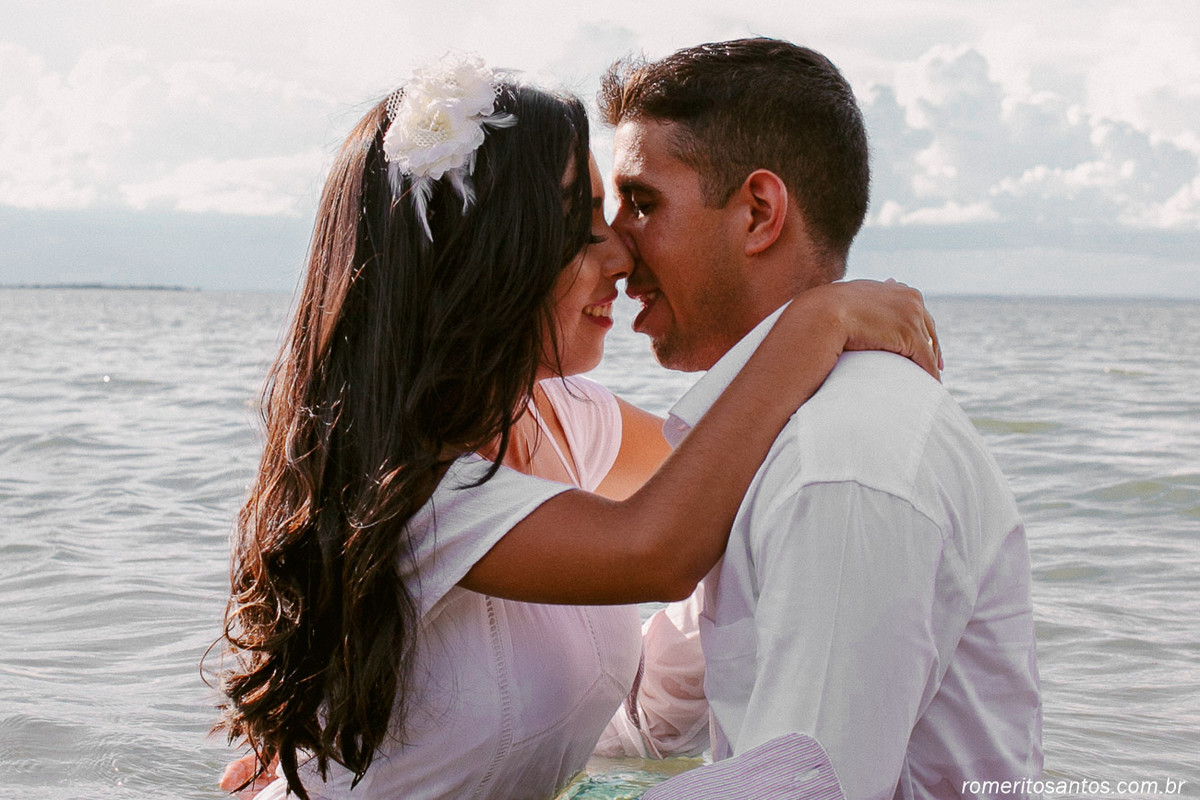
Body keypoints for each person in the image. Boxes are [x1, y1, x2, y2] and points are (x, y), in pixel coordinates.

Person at [214, 54, 941, 800]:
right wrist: (814, 322)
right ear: (494, 256)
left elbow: (730, 473)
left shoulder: (560, 418)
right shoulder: (424, 491)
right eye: (582, 223)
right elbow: (655, 548)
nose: (621, 253)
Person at [596, 38, 1043, 799]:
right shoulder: (772, 428)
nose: (611, 247)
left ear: (760, 214)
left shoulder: (836, 464)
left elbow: (804, 790)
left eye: (641, 204)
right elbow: (653, 713)